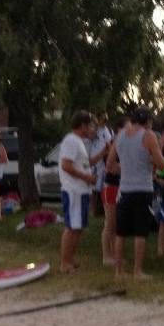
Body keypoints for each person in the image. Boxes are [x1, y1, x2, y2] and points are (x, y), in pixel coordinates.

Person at [108, 107, 164, 279]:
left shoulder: (120, 136)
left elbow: (110, 165)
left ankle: (119, 271)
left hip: (124, 190)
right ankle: (137, 271)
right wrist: (151, 161)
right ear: (148, 121)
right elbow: (162, 164)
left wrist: (126, 167)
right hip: (143, 189)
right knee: (140, 232)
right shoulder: (148, 136)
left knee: (121, 232)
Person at [58, 111, 97, 274]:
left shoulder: (78, 142)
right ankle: (64, 263)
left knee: (78, 227)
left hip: (81, 191)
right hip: (73, 190)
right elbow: (66, 165)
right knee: (72, 227)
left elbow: (85, 163)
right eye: (90, 125)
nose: (92, 128)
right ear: (82, 125)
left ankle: (70, 258)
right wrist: (86, 177)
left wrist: (104, 153)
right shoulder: (71, 141)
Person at [101, 116, 127, 265]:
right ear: (119, 129)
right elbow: (110, 167)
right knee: (110, 223)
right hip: (110, 187)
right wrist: (128, 167)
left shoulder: (124, 144)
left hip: (120, 187)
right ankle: (106, 255)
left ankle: (114, 255)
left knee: (116, 223)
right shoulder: (114, 144)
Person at [89, 113, 113, 217]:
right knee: (93, 188)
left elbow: (110, 144)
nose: (104, 121)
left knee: (102, 187)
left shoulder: (107, 131)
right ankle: (93, 210)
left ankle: (102, 210)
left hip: (103, 161)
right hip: (93, 161)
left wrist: (108, 152)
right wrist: (95, 124)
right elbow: (91, 136)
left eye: (105, 119)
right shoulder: (95, 130)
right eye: (102, 119)